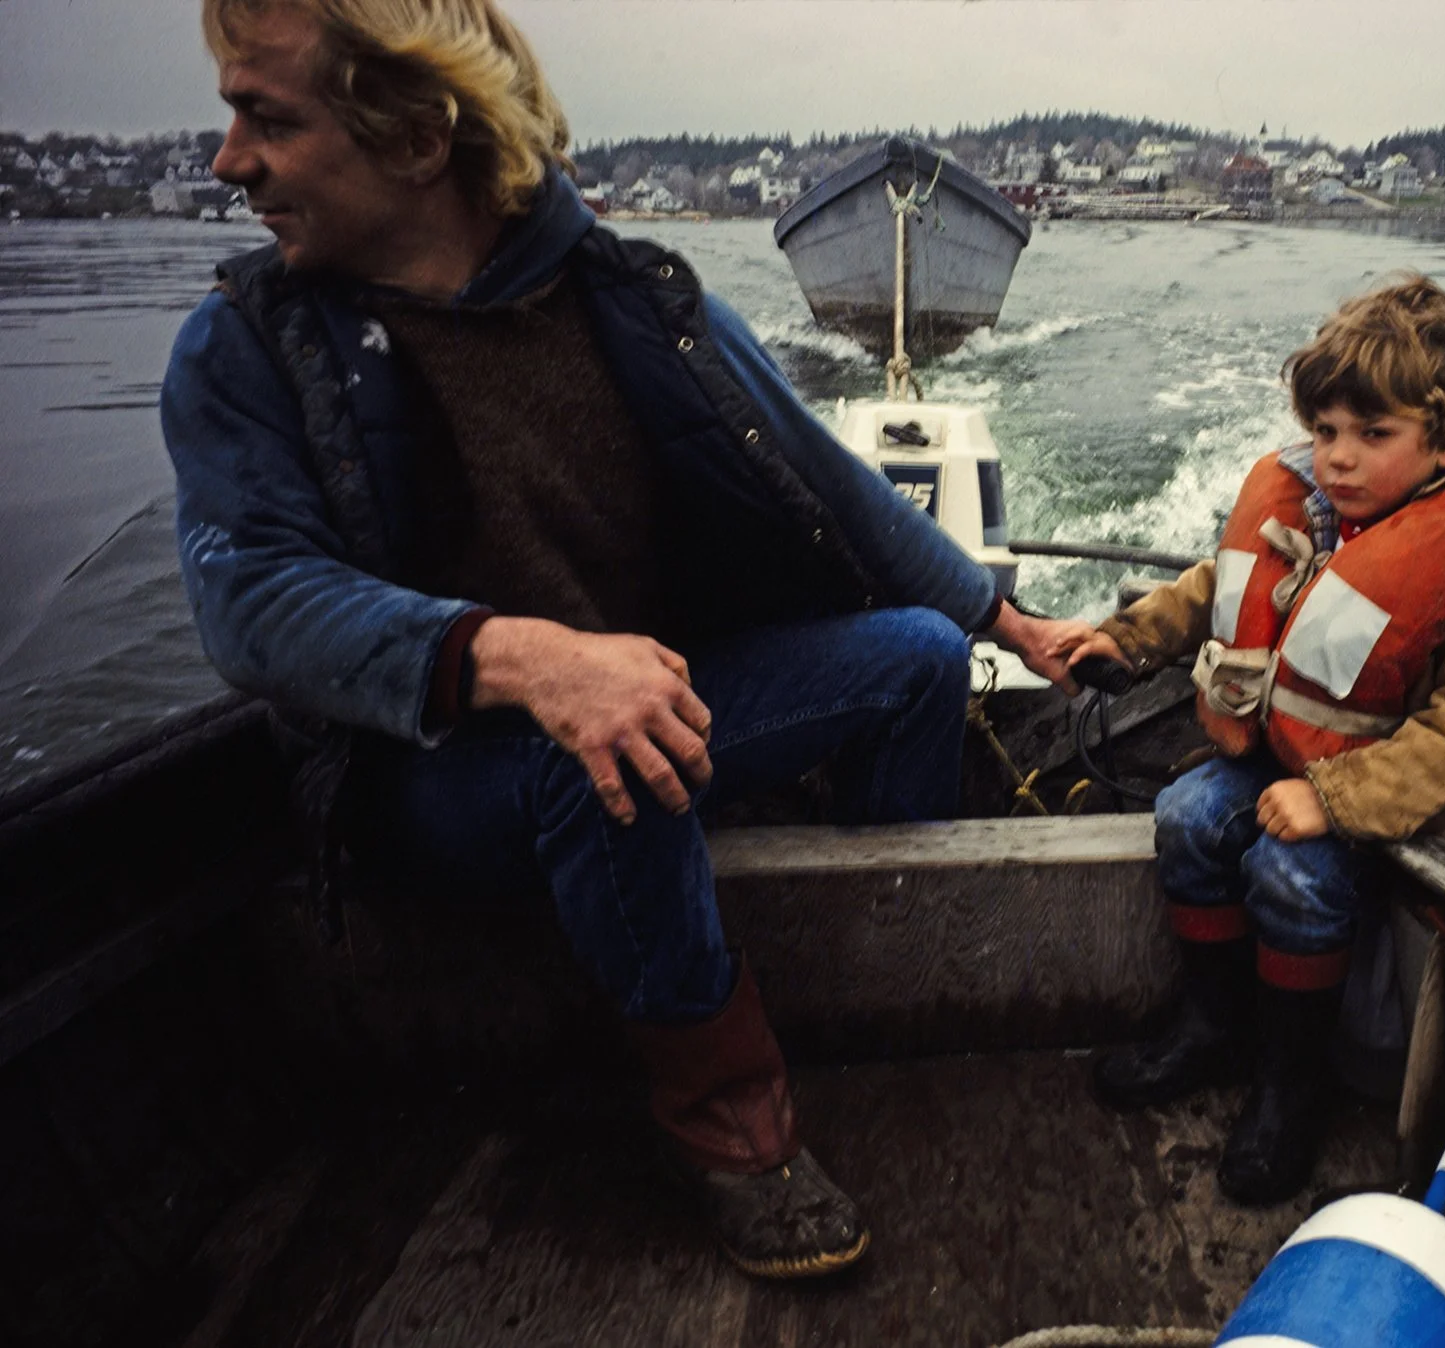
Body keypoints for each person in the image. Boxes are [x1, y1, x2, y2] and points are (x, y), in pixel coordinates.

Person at [161, 0, 1083, 1280]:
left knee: (914, 662)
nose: (229, 161)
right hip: (428, 772)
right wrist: (526, 660)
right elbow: (248, 598)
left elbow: (832, 482)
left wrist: (1006, 620)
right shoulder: (248, 347)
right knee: (601, 746)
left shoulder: (626, 295)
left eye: (267, 117)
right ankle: (731, 1119)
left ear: (420, 138)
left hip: (634, 697)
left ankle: (869, 955)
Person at [1057, 275, 1445, 1205]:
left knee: (1294, 876)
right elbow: (1213, 587)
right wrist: (1128, 638)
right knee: (1187, 819)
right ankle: (1212, 1025)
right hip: (1281, 766)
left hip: (1405, 817)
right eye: (1325, 432)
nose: (1339, 459)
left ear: (1444, 442)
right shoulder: (1306, 516)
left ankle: (1292, 1082)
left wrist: (1333, 801)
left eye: (1373, 435)